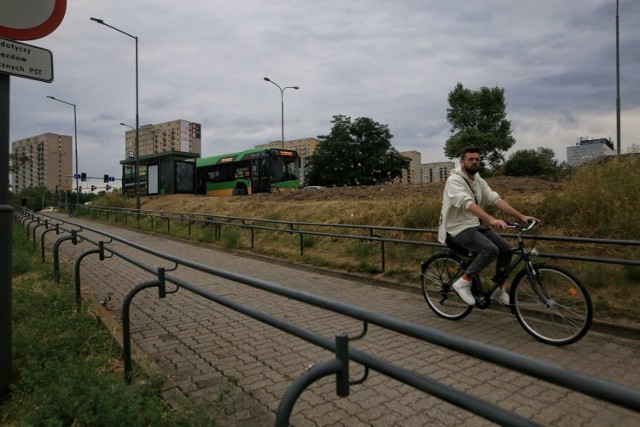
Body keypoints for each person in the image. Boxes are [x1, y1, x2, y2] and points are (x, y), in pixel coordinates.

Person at [438, 146, 540, 306]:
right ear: (462, 161)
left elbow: (494, 199)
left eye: (477, 159)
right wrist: (491, 219)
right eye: (470, 159)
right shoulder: (454, 181)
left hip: (474, 225)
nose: (474, 162)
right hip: (457, 228)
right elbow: (467, 203)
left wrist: (521, 216)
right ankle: (464, 281)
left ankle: (498, 289)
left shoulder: (478, 180)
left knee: (506, 249)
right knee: (490, 249)